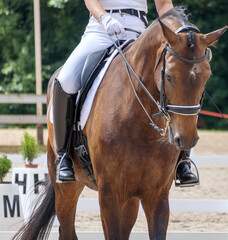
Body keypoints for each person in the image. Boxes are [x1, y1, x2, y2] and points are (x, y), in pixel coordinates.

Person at [53, 0, 199, 185]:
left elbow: (164, 5)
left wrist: (178, 29)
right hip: (101, 30)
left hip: (142, 34)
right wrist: (105, 18)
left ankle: (182, 161)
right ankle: (64, 155)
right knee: (66, 79)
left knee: (183, 74)